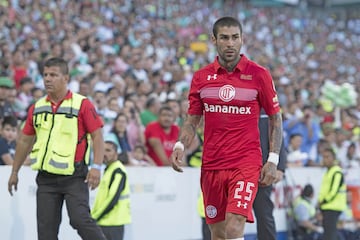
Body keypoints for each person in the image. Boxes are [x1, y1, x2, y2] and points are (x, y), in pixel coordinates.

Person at [171, 16, 283, 240]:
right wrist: (180, 144)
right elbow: (192, 118)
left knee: (234, 227)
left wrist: (273, 159)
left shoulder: (259, 74)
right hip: (212, 164)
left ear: (242, 39)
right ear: (214, 40)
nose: (230, 43)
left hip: (245, 163)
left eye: (235, 38)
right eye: (224, 38)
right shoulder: (201, 77)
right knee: (219, 233)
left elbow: (275, 118)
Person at [7, 57, 107, 240]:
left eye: (53, 75)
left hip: (75, 176)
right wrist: (15, 171)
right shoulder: (37, 107)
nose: (47, 79)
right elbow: (24, 142)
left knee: (79, 220)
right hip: (46, 179)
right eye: (45, 74)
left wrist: (97, 167)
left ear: (66, 78)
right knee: (46, 233)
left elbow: (98, 136)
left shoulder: (82, 104)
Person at [253, 112, 287, 240]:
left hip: (262, 172)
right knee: (234, 216)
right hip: (238, 170)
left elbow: (278, 138)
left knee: (264, 213)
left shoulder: (265, 113)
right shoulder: (236, 108)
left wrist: (280, 167)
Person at [91, 140, 131, 240]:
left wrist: (95, 217)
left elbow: (112, 199)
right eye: (103, 150)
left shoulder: (118, 171)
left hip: (112, 223)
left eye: (108, 150)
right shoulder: (109, 169)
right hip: (105, 222)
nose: (104, 153)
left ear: (116, 154)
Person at [318, 147, 347, 240]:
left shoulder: (336, 172)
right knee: (329, 233)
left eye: (327, 157)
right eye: (324, 157)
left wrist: (324, 201)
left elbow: (334, 190)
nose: (325, 159)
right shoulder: (328, 171)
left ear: (333, 158)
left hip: (332, 206)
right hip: (327, 207)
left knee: (330, 235)